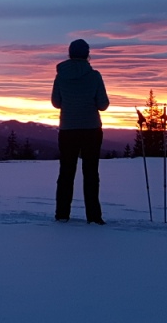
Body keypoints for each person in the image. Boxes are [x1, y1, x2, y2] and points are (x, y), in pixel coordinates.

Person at [51, 38, 110, 224]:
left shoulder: (61, 76)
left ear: (70, 53)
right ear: (87, 54)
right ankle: (94, 217)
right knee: (91, 173)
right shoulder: (94, 76)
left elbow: (56, 102)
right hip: (91, 130)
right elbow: (103, 105)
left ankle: (62, 215)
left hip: (68, 129)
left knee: (66, 173)